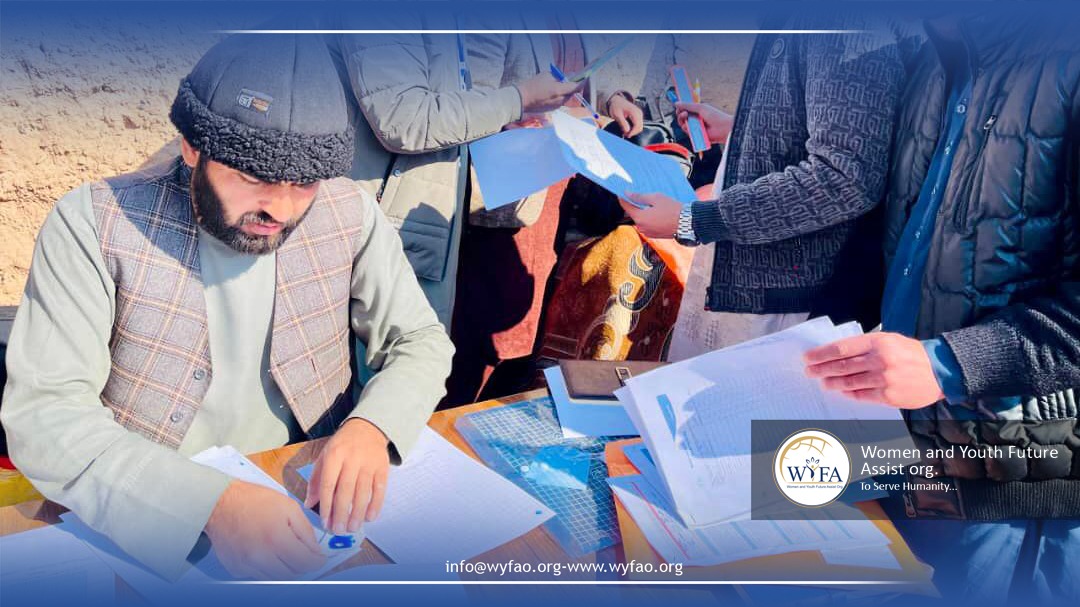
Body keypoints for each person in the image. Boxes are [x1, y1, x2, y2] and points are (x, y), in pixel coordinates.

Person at [0, 35, 454, 581]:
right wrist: (210, 504)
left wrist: (372, 427)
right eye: (253, 177)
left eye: (304, 183)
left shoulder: (349, 212)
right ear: (193, 148)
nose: (280, 209)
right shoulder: (93, 222)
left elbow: (420, 341)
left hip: (306, 503)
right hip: (143, 515)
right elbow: (45, 417)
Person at [803, 17, 1080, 601]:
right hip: (911, 453)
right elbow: (905, 244)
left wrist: (946, 364)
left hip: (1017, 489)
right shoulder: (931, 62)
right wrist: (806, 344)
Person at [617, 21, 910, 360]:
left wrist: (693, 220)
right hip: (764, 282)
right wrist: (741, 129)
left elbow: (843, 178)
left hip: (788, 298)